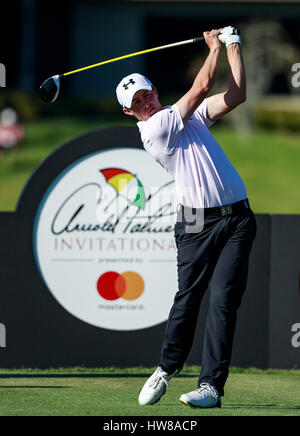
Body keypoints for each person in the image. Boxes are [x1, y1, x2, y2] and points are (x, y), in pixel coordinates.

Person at [116, 26, 257, 408]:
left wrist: (233, 46)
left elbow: (236, 95)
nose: (144, 103)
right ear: (129, 111)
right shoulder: (156, 129)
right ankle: (166, 367)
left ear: (155, 92)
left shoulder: (188, 119)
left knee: (224, 300)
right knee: (189, 297)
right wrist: (213, 48)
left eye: (147, 95)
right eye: (136, 102)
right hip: (196, 222)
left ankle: (211, 386)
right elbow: (199, 88)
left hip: (238, 219)